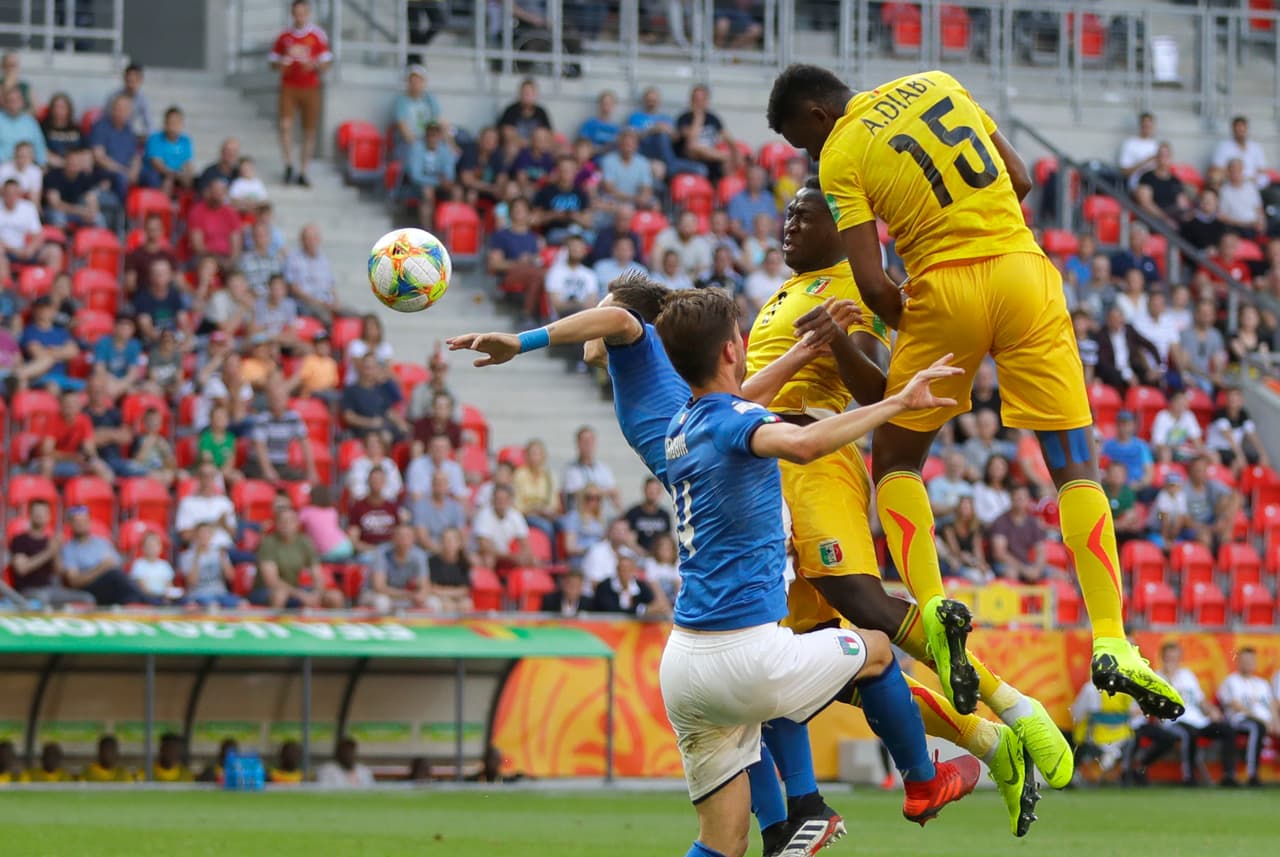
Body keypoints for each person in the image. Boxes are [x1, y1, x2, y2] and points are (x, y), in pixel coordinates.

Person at [447, 279, 1020, 848]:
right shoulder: (694, 393)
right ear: (731, 348)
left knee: (722, 841)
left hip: (684, 665)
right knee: (873, 648)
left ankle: (793, 822)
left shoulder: (680, 425)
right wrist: (897, 402)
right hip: (746, 657)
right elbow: (798, 444)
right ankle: (914, 782)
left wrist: (800, 353)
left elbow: (739, 400)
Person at [767, 64, 1183, 721]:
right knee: (1074, 462)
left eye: (802, 142)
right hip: (1025, 273)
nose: (809, 157)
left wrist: (926, 331)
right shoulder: (940, 81)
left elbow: (875, 287)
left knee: (897, 462)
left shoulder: (842, 151)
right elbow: (1018, 179)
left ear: (819, 115)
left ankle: (933, 612)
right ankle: (1113, 638)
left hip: (943, 285)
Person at [1157, 641, 1237, 787]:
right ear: (1163, 658)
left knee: (1227, 730)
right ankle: (1189, 777)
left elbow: (1200, 699)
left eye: (1175, 658)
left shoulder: (1187, 675)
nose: (1172, 661)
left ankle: (1228, 775)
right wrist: (1169, 676)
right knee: (1189, 733)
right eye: (1168, 658)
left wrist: (1212, 710)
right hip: (1173, 721)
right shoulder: (1157, 677)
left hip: (1197, 720)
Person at [270, 0, 331, 186]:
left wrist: (313, 65)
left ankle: (304, 170)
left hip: (310, 86)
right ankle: (289, 164)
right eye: (296, 13)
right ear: (292, 13)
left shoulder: (317, 35)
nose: (299, 17)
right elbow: (272, 62)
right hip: (289, 86)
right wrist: (281, 64)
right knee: (285, 125)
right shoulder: (284, 36)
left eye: (303, 13)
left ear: (308, 13)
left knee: (309, 132)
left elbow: (326, 63)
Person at [250, 506, 343, 609]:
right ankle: (272, 624)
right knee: (280, 595)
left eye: (291, 521)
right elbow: (272, 581)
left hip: (294, 590)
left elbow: (317, 575)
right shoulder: (268, 543)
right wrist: (301, 595)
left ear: (297, 523)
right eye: (283, 521)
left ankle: (331, 624)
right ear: (276, 524)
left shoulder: (304, 541)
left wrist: (317, 593)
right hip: (266, 591)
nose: (287, 525)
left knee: (335, 596)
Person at [9, 499, 94, 607]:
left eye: (43, 513)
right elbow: (22, 569)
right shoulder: (20, 540)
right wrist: (49, 552)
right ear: (29, 515)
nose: (40, 515)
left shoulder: (50, 541)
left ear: (49, 516)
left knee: (87, 598)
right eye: (36, 512)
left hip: (51, 589)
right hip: (27, 590)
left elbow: (58, 572)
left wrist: (56, 551)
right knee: (42, 599)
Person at [61, 506, 152, 606]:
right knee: (115, 576)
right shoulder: (69, 549)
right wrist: (101, 568)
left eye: (84, 520)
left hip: (111, 585)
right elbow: (74, 581)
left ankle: (144, 602)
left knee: (123, 585)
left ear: (89, 522)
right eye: (77, 521)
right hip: (90, 587)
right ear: (70, 524)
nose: (81, 524)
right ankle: (152, 601)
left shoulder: (102, 542)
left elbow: (117, 565)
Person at [1216, 647, 1277, 787]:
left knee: (1261, 727)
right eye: (1245, 660)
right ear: (1238, 662)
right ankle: (1252, 774)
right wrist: (1262, 720)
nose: (1248, 663)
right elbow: (1235, 705)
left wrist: (1275, 720)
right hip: (1239, 720)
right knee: (1257, 727)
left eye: (1251, 660)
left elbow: (1271, 704)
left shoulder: (1262, 683)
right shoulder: (1231, 681)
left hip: (1265, 721)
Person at [364, 522, 429, 612]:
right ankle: (386, 626)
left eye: (408, 536)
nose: (404, 539)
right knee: (382, 602)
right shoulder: (382, 553)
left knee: (433, 602)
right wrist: (407, 595)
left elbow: (424, 585)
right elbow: (379, 587)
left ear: (414, 539)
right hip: (375, 594)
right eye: (400, 536)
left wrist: (420, 594)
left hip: (405, 596)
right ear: (393, 538)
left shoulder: (419, 555)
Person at [179, 522, 243, 609]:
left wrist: (224, 559)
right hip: (198, 594)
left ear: (212, 535)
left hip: (220, 592)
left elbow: (231, 577)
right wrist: (197, 557)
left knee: (243, 604)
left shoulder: (219, 553)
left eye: (207, 533)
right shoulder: (187, 556)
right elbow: (191, 582)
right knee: (212, 605)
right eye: (201, 534)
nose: (204, 536)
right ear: (195, 536)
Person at [472, 484, 534, 570]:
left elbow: (525, 543)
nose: (501, 502)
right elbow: (484, 547)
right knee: (488, 560)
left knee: (533, 560)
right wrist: (511, 557)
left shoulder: (515, 515)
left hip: (506, 553)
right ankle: (490, 583)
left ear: (510, 500)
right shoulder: (484, 515)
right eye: (498, 499)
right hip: (483, 553)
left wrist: (524, 555)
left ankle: (522, 582)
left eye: (504, 499)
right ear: (493, 500)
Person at [141, 107, 195, 194]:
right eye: (171, 122)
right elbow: (157, 164)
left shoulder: (185, 141)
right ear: (165, 124)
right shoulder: (155, 138)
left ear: (182, 124)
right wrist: (172, 176)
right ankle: (160, 204)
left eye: (177, 123)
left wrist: (189, 176)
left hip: (176, 174)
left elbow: (188, 163)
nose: (173, 126)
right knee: (157, 178)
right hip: (157, 173)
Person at [393, 64, 441, 158]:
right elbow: (404, 130)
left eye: (419, 80)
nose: (415, 84)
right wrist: (421, 146)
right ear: (408, 82)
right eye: (412, 81)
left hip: (429, 141)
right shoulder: (401, 101)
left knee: (445, 151)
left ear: (424, 82)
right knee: (417, 152)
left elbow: (438, 121)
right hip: (407, 143)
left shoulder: (430, 99)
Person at [1212, 115, 1268, 189]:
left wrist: (1250, 179)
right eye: (1238, 130)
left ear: (1246, 129)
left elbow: (1262, 169)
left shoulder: (1256, 147)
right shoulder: (1224, 147)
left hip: (1254, 183)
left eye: (1242, 130)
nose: (1240, 132)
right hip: (1232, 182)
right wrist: (1237, 177)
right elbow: (1218, 169)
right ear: (1233, 130)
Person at [427, 526, 473, 612]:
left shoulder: (464, 562)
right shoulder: (432, 561)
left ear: (459, 543)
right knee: (447, 606)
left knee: (466, 604)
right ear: (441, 542)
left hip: (457, 598)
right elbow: (431, 587)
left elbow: (465, 589)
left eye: (452, 540)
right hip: (438, 597)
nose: (448, 543)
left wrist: (449, 594)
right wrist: (448, 596)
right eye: (445, 540)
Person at [624, 476, 673, 552]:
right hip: (637, 555)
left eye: (656, 490)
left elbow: (667, 539)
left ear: (660, 492)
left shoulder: (664, 515)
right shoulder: (633, 513)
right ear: (644, 490)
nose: (652, 493)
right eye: (650, 489)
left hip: (658, 558)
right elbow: (628, 540)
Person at [129, 531, 177, 602]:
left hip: (164, 598)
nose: (152, 548)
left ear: (160, 548)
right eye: (149, 545)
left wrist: (168, 597)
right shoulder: (138, 565)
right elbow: (143, 589)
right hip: (147, 598)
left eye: (154, 545)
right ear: (143, 548)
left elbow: (169, 586)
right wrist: (162, 596)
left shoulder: (165, 565)